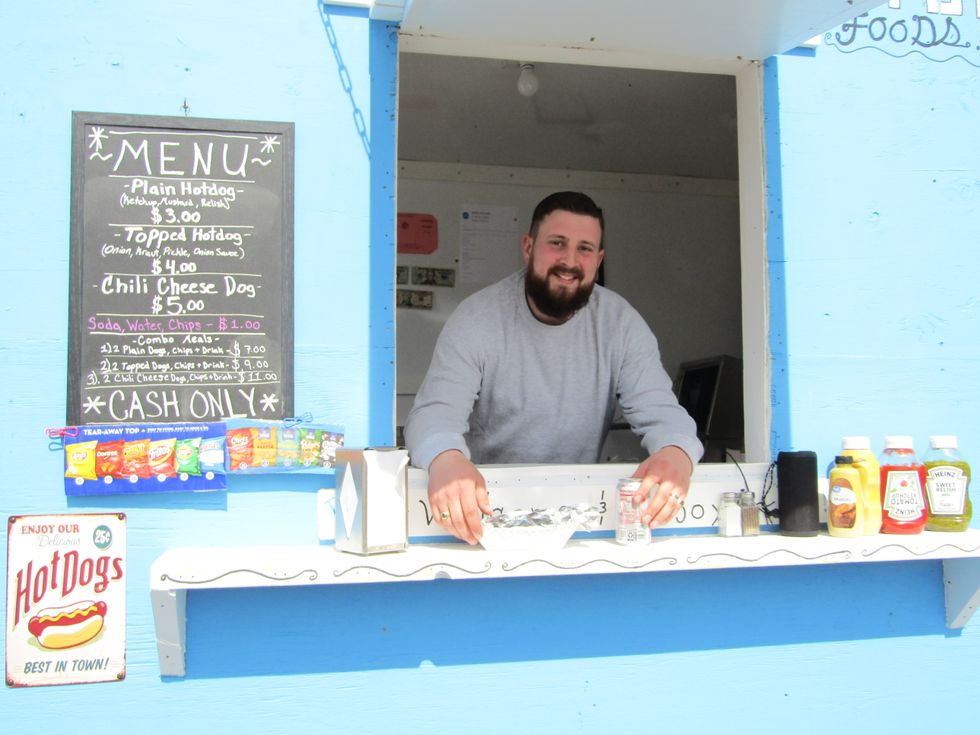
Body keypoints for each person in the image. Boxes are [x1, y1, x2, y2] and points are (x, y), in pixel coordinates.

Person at [404, 191, 703, 544]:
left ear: (599, 258)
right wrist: (446, 460)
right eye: (557, 243)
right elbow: (433, 414)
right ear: (528, 247)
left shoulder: (621, 323)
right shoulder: (476, 318)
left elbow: (664, 413)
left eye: (585, 249)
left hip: (577, 517)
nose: (570, 261)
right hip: (482, 516)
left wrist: (677, 452)